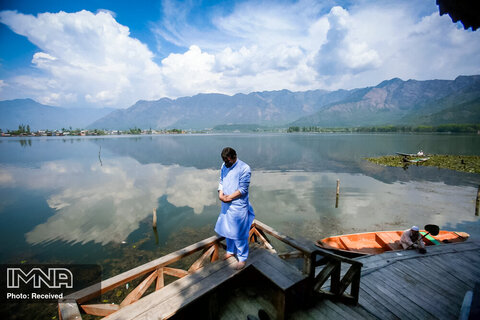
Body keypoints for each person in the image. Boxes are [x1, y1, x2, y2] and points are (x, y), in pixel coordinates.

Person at [214, 147, 255, 270]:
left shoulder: (244, 168)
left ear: (234, 157)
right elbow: (221, 181)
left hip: (238, 205)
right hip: (226, 203)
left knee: (239, 232)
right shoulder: (224, 165)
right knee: (228, 228)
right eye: (225, 161)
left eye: (228, 161)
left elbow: (243, 189)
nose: (226, 164)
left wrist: (228, 198)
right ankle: (231, 251)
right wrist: (220, 195)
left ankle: (242, 258)